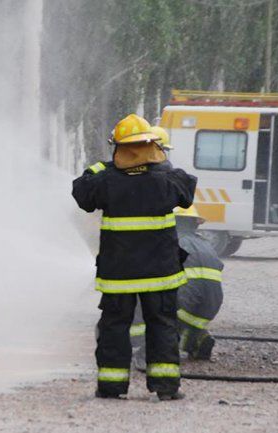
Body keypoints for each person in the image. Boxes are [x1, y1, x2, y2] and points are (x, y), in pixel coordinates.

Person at [72, 114, 197, 401]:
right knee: (163, 326)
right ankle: (166, 388)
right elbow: (186, 191)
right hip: (161, 274)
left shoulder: (105, 181)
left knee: (114, 327)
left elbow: (82, 191)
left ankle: (111, 387)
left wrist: (106, 166)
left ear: (118, 148)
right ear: (152, 145)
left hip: (119, 275)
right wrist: (156, 163)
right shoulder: (168, 179)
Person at [130, 205, 224, 371]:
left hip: (184, 307)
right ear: (195, 223)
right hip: (205, 312)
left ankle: (146, 349)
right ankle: (196, 339)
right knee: (179, 322)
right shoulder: (206, 245)